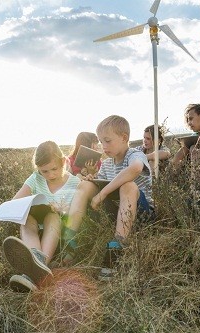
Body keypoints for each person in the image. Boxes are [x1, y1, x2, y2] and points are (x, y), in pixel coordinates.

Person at [62, 115, 154, 281]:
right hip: (115, 212)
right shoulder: (106, 164)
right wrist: (91, 179)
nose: (103, 147)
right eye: (100, 142)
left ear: (124, 138)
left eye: (107, 141)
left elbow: (135, 169)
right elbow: (100, 185)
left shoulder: (135, 155)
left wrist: (102, 194)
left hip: (142, 214)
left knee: (128, 185)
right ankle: (69, 240)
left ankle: (116, 248)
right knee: (86, 185)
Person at [2, 141, 81, 292]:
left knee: (52, 216)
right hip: (36, 233)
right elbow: (15, 202)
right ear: (38, 169)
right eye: (44, 171)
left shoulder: (75, 183)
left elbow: (78, 215)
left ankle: (37, 266)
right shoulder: (35, 178)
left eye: (54, 169)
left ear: (64, 162)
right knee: (27, 219)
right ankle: (37, 265)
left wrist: (61, 210)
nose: (50, 175)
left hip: (58, 234)